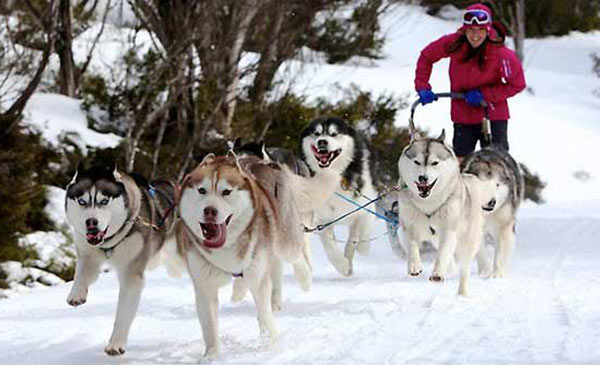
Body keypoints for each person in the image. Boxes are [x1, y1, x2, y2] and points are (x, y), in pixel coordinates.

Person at [414, 3, 526, 161]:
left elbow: (517, 84)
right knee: (460, 165)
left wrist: (485, 95)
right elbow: (427, 56)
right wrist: (422, 86)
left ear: (487, 30)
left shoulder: (502, 54)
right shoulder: (454, 43)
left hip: (492, 115)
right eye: (471, 30)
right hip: (463, 116)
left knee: (495, 165)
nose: (475, 35)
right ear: (464, 29)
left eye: (480, 30)